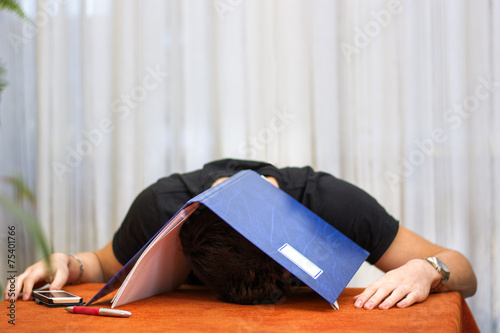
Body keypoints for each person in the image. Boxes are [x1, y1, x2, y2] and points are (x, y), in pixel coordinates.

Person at [5, 159, 477, 309]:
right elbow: (103, 266)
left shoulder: (329, 203)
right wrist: (67, 261)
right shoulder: (162, 206)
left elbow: (466, 273)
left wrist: (427, 268)